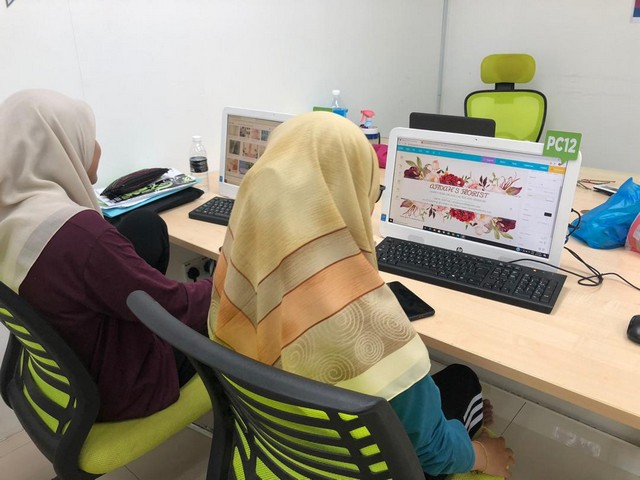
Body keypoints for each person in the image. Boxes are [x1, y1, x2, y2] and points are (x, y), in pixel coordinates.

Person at [207, 111, 515, 478]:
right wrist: (484, 455)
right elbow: (431, 453)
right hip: (357, 466)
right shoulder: (371, 331)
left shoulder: (233, 273)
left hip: (279, 447)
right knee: (462, 379)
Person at [0, 89, 212, 421]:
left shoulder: (14, 215)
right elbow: (176, 308)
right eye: (88, 137)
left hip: (69, 370)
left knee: (143, 226)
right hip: (129, 385)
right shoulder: (79, 235)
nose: (96, 147)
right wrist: (231, 275)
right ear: (61, 146)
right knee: (229, 310)